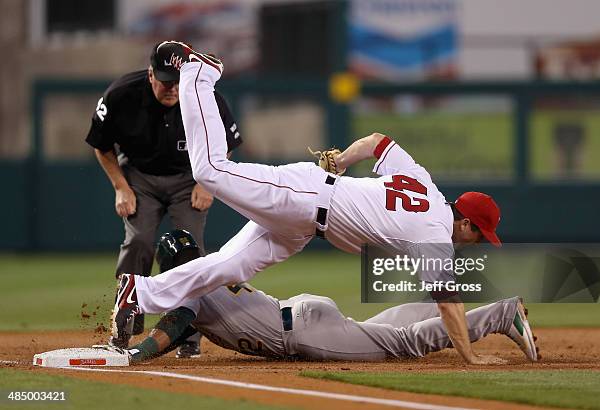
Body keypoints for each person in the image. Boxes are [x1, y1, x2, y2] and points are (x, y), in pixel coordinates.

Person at [112, 41, 510, 365]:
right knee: (210, 170)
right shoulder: (435, 233)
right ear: (467, 224)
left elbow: (376, 142)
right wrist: (469, 356)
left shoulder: (424, 182)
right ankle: (200, 74)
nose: (476, 242)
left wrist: (344, 160)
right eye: (480, 236)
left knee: (227, 266)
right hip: (305, 196)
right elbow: (450, 304)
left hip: (303, 224)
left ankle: (138, 291)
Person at [110, 230, 538, 364]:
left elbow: (175, 324)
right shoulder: (209, 272)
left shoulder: (188, 285)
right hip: (302, 314)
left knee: (401, 345)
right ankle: (438, 307)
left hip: (301, 334)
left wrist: (135, 354)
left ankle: (499, 315)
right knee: (378, 331)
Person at [86, 41, 243, 356]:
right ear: (150, 74)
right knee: (139, 241)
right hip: (140, 177)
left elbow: (225, 142)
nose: (172, 87)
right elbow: (101, 145)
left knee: (190, 249)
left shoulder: (203, 96)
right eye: (165, 80)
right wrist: (120, 186)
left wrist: (209, 184)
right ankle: (124, 326)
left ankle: (188, 333)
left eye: (177, 80)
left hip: (190, 178)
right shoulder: (121, 95)